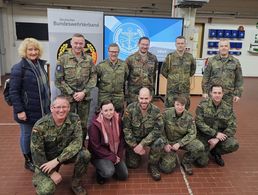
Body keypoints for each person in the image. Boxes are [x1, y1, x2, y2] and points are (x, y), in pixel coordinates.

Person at [31, 95, 91, 195]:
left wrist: (58, 160)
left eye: (64, 107)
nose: (61, 110)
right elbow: (37, 154)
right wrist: (51, 172)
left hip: (64, 155)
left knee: (85, 154)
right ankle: (40, 180)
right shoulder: (40, 126)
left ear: (69, 108)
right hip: (47, 161)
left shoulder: (75, 119)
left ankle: (76, 184)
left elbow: (77, 142)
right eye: (58, 107)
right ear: (51, 108)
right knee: (45, 190)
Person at [9, 38, 51, 172]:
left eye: (36, 49)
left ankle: (37, 156)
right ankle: (28, 161)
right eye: (30, 49)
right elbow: (13, 92)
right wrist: (20, 110)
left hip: (41, 108)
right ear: (24, 51)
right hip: (26, 110)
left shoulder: (40, 65)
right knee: (27, 135)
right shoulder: (18, 68)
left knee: (38, 134)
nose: (33, 52)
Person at [55, 33, 97, 139]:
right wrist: (72, 93)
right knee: (67, 123)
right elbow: (59, 80)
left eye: (81, 43)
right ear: (71, 43)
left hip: (84, 98)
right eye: (76, 43)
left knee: (83, 125)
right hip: (68, 99)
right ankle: (68, 147)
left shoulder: (89, 59)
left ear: (84, 44)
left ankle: (81, 146)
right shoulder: (63, 59)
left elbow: (93, 77)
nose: (78, 46)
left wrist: (83, 92)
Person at [123, 87, 163, 181]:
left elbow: (157, 130)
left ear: (150, 98)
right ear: (138, 98)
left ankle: (152, 165)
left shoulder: (156, 111)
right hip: (134, 140)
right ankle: (135, 155)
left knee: (159, 141)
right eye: (141, 98)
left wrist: (142, 144)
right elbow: (126, 129)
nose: (143, 101)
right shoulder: (130, 109)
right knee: (132, 165)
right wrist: (134, 146)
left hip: (148, 138)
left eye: (146, 98)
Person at [195, 84, 239, 167]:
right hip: (204, 136)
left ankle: (215, 152)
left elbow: (232, 126)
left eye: (219, 93)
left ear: (223, 94)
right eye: (215, 92)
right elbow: (199, 122)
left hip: (220, 137)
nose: (217, 95)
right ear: (210, 93)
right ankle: (207, 150)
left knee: (233, 144)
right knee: (201, 163)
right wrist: (215, 133)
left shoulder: (228, 108)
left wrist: (217, 139)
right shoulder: (202, 105)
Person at [160, 96, 204, 175]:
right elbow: (160, 130)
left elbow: (192, 133)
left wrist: (180, 143)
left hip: (181, 141)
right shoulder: (166, 114)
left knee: (199, 147)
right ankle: (163, 156)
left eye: (182, 105)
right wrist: (165, 143)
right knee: (166, 169)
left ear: (185, 106)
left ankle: (186, 162)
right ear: (174, 104)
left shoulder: (189, 117)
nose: (180, 107)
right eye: (177, 105)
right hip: (168, 142)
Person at [88, 100, 128, 184]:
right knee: (108, 172)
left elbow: (121, 139)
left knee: (123, 175)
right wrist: (112, 157)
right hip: (100, 155)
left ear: (114, 109)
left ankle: (110, 165)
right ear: (101, 111)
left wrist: (119, 155)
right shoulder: (95, 125)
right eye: (106, 110)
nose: (109, 113)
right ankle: (100, 172)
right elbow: (96, 147)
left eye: (111, 109)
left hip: (115, 152)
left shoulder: (118, 119)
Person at [202, 38, 243, 106]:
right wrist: (205, 92)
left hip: (228, 95)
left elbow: (239, 79)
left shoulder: (235, 62)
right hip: (213, 94)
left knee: (226, 115)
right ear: (218, 47)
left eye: (226, 46)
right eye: (221, 46)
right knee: (211, 114)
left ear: (229, 47)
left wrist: (237, 94)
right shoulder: (211, 60)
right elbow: (206, 77)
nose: (224, 48)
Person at [161, 36, 196, 110]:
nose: (180, 45)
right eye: (178, 43)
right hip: (172, 89)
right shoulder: (170, 57)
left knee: (184, 108)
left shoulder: (190, 57)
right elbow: (163, 71)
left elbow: (192, 71)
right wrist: (172, 78)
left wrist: (184, 78)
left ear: (185, 44)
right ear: (175, 44)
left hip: (184, 89)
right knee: (170, 109)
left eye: (182, 43)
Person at [96, 43, 128, 113]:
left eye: (116, 52)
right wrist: (103, 87)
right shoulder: (101, 65)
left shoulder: (124, 65)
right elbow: (94, 79)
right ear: (108, 52)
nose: (114, 54)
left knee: (118, 118)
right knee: (103, 118)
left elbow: (125, 78)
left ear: (118, 52)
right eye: (112, 52)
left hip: (118, 97)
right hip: (104, 96)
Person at [126, 37, 158, 104]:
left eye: (147, 45)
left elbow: (153, 75)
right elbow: (126, 76)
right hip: (134, 94)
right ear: (138, 44)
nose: (145, 46)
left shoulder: (153, 58)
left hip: (148, 93)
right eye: (143, 44)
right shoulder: (130, 59)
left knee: (147, 113)